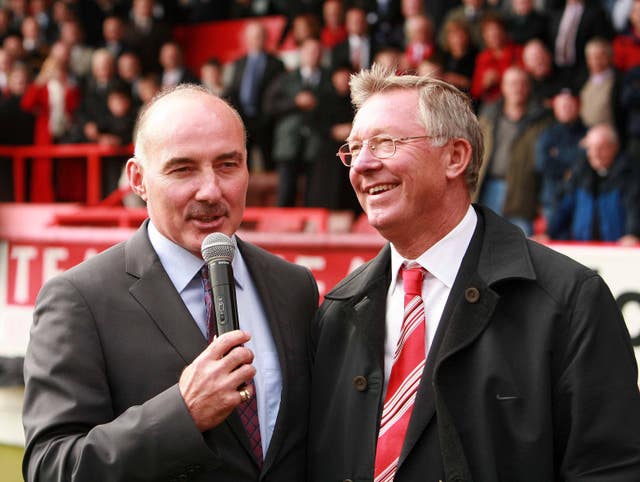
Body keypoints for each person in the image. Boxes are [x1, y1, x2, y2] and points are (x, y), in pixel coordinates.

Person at [307, 65, 640, 481]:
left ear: (455, 157)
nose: (362, 165)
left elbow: (609, 470)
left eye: (384, 143)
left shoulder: (570, 300)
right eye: (353, 149)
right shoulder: (337, 312)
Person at [22, 84, 319, 481]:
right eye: (183, 169)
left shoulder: (293, 286)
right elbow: (51, 467)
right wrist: (182, 413)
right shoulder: (80, 300)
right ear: (138, 179)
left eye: (228, 165)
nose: (211, 190)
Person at [546, 123, 640, 244]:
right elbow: (563, 206)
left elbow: (634, 208)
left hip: (617, 250)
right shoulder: (579, 172)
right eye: (590, 148)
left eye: (601, 147)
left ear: (614, 147)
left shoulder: (630, 174)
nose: (595, 153)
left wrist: (632, 233)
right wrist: (548, 233)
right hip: (583, 249)